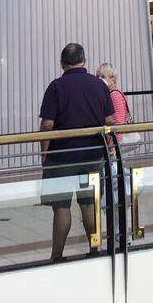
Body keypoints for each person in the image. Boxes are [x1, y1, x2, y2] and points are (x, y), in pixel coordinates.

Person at [39, 43, 115, 262]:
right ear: (84, 60)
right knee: (89, 204)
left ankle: (57, 256)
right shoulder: (99, 85)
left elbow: (47, 125)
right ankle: (94, 250)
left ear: (62, 63)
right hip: (92, 156)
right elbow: (110, 121)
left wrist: (45, 154)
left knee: (61, 207)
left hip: (61, 158)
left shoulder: (56, 86)